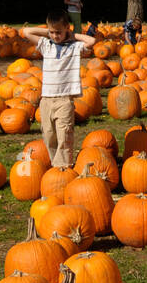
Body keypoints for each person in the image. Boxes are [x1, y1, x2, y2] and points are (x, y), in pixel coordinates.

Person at [21, 10, 96, 169]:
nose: (55, 36)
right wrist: (47, 32)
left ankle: (64, 167)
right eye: (53, 32)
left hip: (64, 100)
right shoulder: (46, 45)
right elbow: (26, 31)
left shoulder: (73, 47)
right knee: (49, 135)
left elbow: (91, 41)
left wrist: (71, 35)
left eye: (59, 32)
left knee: (64, 134)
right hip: (46, 99)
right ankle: (56, 165)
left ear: (66, 29)